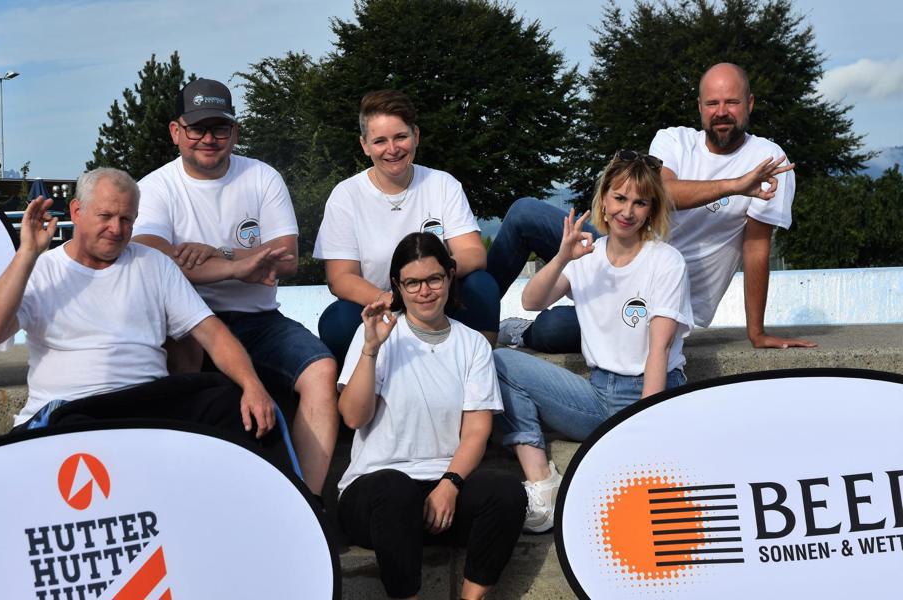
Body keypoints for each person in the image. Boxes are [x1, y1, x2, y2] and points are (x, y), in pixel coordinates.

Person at [486, 62, 815, 351]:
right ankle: (472, 326)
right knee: (524, 213)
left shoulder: (769, 160)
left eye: (732, 102)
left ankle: (522, 332)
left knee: (554, 328)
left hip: (660, 296)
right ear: (700, 106)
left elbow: (756, 247)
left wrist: (756, 333)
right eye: (713, 103)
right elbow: (663, 193)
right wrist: (736, 185)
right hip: (620, 246)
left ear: (750, 104)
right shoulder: (674, 140)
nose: (722, 111)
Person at [0, 168, 290, 469]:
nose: (116, 229)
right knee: (78, 432)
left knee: (235, 404)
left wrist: (252, 386)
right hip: (70, 407)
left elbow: (213, 334)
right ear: (76, 211)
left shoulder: (154, 264)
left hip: (146, 401)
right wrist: (27, 252)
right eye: (106, 216)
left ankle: (294, 509)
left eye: (126, 219)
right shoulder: (42, 270)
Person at [131, 78, 338, 497]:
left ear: (234, 132)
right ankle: (177, 491)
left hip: (258, 321)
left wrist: (216, 254)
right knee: (180, 367)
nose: (208, 139)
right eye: (197, 128)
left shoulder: (262, 177)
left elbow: (288, 259)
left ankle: (306, 500)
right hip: (187, 324)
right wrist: (238, 267)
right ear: (176, 132)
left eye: (219, 128)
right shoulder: (155, 187)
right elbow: (153, 261)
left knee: (322, 369)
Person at [493, 151, 693, 533]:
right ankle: (541, 482)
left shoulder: (665, 262)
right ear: (603, 199)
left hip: (651, 393)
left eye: (639, 202)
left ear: (652, 210)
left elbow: (659, 351)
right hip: (598, 394)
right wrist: (562, 257)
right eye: (619, 198)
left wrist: (642, 431)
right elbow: (531, 301)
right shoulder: (586, 255)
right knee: (499, 363)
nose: (627, 211)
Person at [336, 233, 526, 600]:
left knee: (506, 493)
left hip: (441, 498)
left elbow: (476, 430)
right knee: (396, 488)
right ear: (397, 286)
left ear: (449, 278)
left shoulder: (472, 344)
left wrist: (450, 483)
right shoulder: (375, 333)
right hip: (376, 497)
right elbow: (353, 418)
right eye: (412, 282)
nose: (424, 291)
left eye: (434, 279)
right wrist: (371, 350)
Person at [313, 89, 499, 361]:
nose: (392, 149)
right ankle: (361, 383)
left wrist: (429, 282)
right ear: (364, 145)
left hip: (437, 301)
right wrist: (393, 297)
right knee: (338, 320)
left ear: (416, 136)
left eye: (401, 136)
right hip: (383, 305)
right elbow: (340, 278)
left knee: (482, 286)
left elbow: (473, 253)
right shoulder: (346, 195)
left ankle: (479, 368)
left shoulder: (442, 184)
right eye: (380, 141)